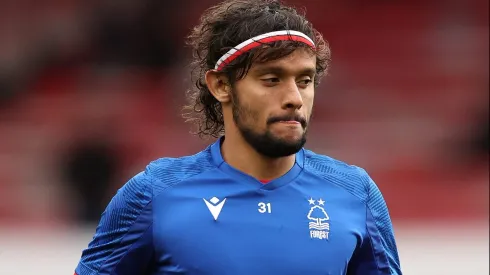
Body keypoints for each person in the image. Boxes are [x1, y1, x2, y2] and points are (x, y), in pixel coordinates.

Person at [74, 0, 402, 274]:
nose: (294, 98)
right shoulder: (153, 194)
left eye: (305, 80)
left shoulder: (356, 194)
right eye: (271, 79)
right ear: (221, 85)